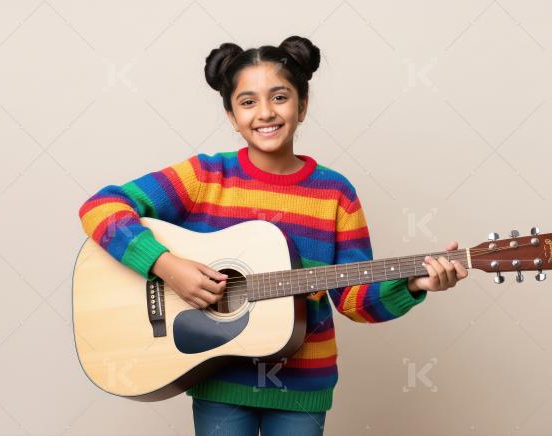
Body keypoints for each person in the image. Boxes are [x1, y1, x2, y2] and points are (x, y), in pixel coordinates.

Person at [78, 35, 468, 436]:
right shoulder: (205, 176)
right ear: (231, 115)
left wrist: (414, 283)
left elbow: (354, 300)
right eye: (248, 102)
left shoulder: (336, 193)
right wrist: (167, 266)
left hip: (303, 389)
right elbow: (101, 208)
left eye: (279, 97)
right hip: (220, 380)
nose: (265, 113)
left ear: (303, 105)